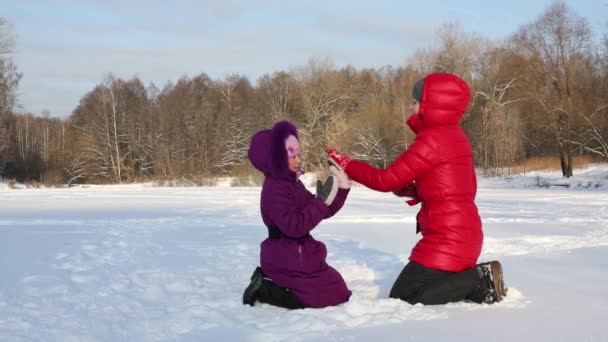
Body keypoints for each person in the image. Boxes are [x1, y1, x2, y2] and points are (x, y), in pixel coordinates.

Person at [326, 72, 507, 305]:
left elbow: (384, 180)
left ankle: (479, 280)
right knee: (414, 291)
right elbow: (452, 186)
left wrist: (347, 164)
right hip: (461, 232)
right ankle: (475, 284)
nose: (410, 107)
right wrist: (411, 189)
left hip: (448, 238)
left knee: (405, 296)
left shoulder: (432, 140)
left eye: (414, 102)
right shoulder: (455, 136)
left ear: (430, 104)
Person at [243, 120, 352, 309]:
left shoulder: (292, 183)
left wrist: (341, 190)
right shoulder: (274, 188)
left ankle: (278, 285)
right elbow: (294, 227)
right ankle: (264, 287)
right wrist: (320, 201)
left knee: (337, 289)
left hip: (300, 253)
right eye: (291, 156)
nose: (298, 160)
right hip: (284, 256)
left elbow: (319, 212)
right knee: (320, 298)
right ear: (274, 159)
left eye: (298, 155)